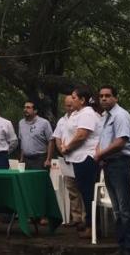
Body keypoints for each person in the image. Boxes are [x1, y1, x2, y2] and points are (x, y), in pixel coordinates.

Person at [95, 85, 130, 255]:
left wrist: (100, 155)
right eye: (101, 96)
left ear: (116, 98)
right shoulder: (105, 117)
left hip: (121, 164)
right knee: (117, 210)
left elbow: (120, 142)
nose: (104, 98)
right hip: (109, 165)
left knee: (125, 209)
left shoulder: (121, 116)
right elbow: (102, 140)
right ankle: (122, 247)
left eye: (108, 95)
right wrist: (99, 155)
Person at [58, 86, 101, 239]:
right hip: (77, 158)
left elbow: (82, 135)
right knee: (83, 192)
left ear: (82, 100)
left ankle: (92, 226)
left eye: (74, 98)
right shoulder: (78, 113)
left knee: (88, 193)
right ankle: (88, 222)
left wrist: (67, 148)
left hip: (86, 158)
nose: (72, 100)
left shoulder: (88, 113)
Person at [50, 96, 84, 227]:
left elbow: (82, 136)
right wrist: (62, 151)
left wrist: (70, 148)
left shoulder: (81, 117)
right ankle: (76, 217)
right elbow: (57, 137)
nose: (69, 108)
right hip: (67, 158)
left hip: (80, 156)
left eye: (71, 105)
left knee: (83, 189)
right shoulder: (62, 120)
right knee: (71, 189)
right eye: (67, 105)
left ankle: (86, 218)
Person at [18, 101, 53, 170]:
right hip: (26, 159)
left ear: (35, 111)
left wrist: (48, 159)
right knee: (26, 180)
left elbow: (51, 140)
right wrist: (21, 158)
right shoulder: (21, 123)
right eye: (24, 108)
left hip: (40, 159)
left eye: (28, 108)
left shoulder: (44, 123)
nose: (25, 110)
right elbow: (22, 141)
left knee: (39, 180)